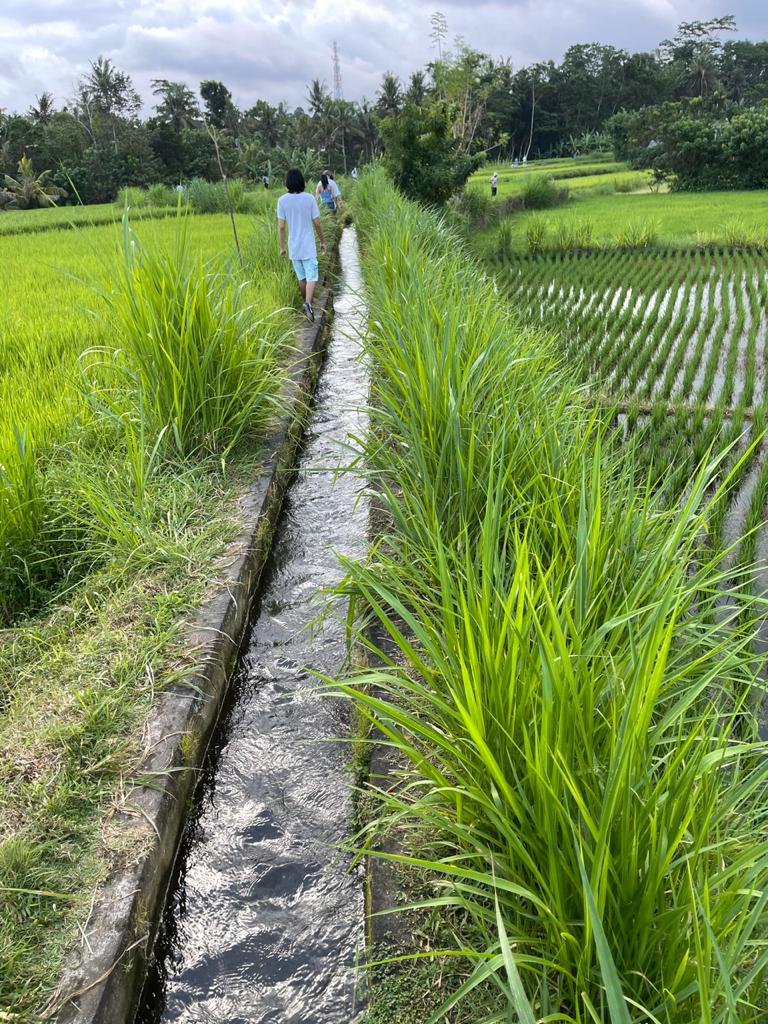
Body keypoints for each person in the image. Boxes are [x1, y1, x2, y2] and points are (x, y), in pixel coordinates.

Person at [277, 168, 326, 323]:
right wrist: (323, 241)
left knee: (302, 277)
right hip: (308, 245)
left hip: (294, 246)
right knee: (312, 276)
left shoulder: (282, 200)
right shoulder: (309, 198)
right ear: (302, 181)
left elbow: (281, 227)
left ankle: (306, 303)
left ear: (288, 182)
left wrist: (282, 247)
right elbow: (317, 223)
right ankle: (308, 303)